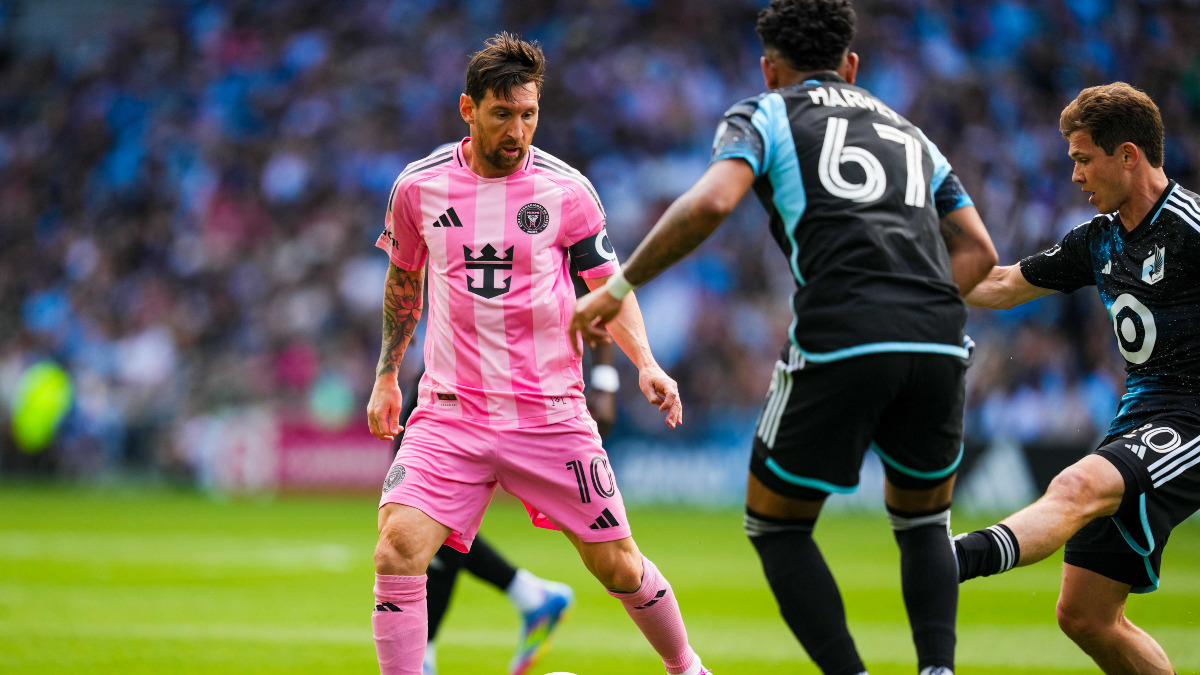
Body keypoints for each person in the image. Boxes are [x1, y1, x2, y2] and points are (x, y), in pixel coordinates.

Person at [570, 1, 997, 673]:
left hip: (843, 332)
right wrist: (920, 303)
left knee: (777, 523)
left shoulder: (765, 113)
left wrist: (618, 285)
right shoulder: (911, 133)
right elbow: (979, 250)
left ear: (770, 70)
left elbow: (713, 201)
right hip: (940, 339)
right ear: (851, 65)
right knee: (923, 524)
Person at [366, 33, 710, 675]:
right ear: (468, 109)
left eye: (528, 114)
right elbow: (403, 281)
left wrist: (646, 363)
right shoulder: (419, 188)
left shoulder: (565, 190)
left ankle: (687, 667)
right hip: (450, 412)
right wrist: (387, 374)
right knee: (398, 547)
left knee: (618, 564)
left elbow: (608, 288)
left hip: (548, 413)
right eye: (502, 114)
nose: (517, 131)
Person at [953, 82, 1199, 674]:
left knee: (1076, 487)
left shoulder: (1190, 227)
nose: (1075, 175)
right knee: (1085, 615)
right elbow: (1001, 285)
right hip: (1139, 418)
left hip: (1192, 415)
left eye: (1084, 159)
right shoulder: (1099, 239)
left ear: (1128, 155)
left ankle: (950, 561)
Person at [400, 291, 619, 675]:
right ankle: (432, 649)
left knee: (421, 511)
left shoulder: (556, 250)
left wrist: (605, 382)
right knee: (417, 509)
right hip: (451, 367)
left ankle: (432, 650)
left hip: (521, 375)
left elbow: (602, 291)